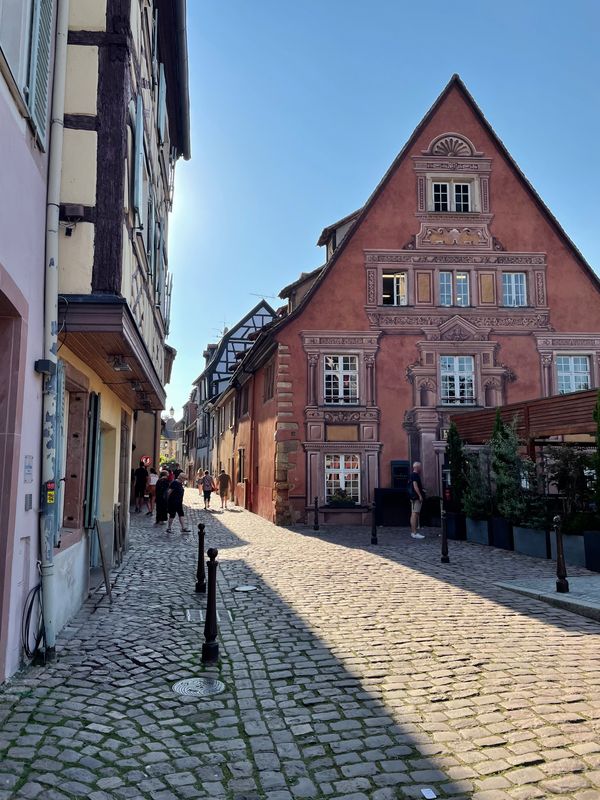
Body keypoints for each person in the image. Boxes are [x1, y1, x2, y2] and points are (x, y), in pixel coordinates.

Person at [410, 461, 425, 539]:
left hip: (413, 497)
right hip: (416, 497)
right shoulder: (415, 475)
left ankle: (413, 532)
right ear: (417, 467)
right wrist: (420, 495)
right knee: (415, 514)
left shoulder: (412, 475)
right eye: (420, 467)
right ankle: (414, 532)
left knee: (413, 514)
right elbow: (415, 486)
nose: (421, 468)